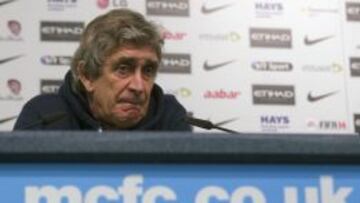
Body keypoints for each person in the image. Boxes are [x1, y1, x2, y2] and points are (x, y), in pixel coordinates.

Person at [14, 8, 192, 131]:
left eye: (148, 71)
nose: (138, 86)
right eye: (123, 69)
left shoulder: (170, 117)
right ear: (87, 76)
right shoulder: (45, 116)